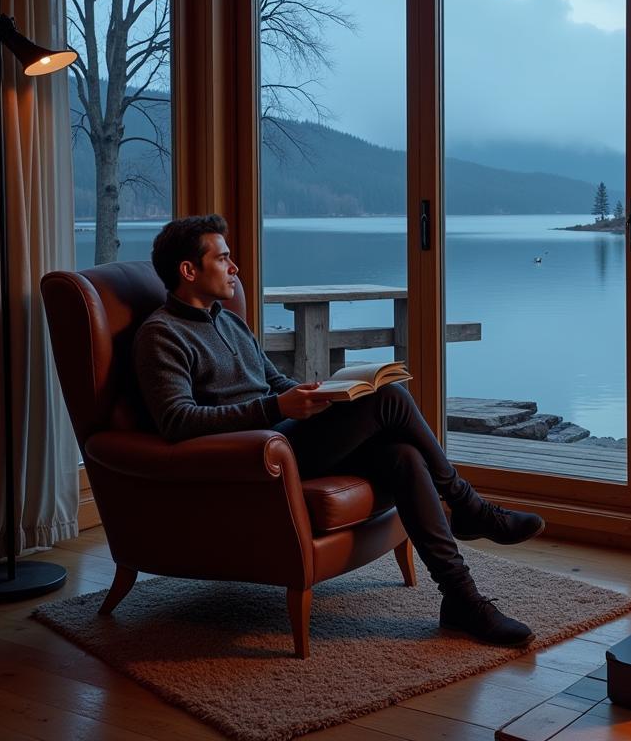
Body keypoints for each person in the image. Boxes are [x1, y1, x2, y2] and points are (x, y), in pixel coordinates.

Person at [133, 214, 545, 646]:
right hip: (252, 457)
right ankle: (469, 506)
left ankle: (461, 599)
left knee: (403, 456)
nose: (235, 268)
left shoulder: (229, 321)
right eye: (224, 258)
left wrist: (318, 395)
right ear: (189, 270)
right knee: (390, 400)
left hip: (285, 437)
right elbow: (177, 421)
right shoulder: (161, 335)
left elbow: (275, 383)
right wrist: (276, 408)